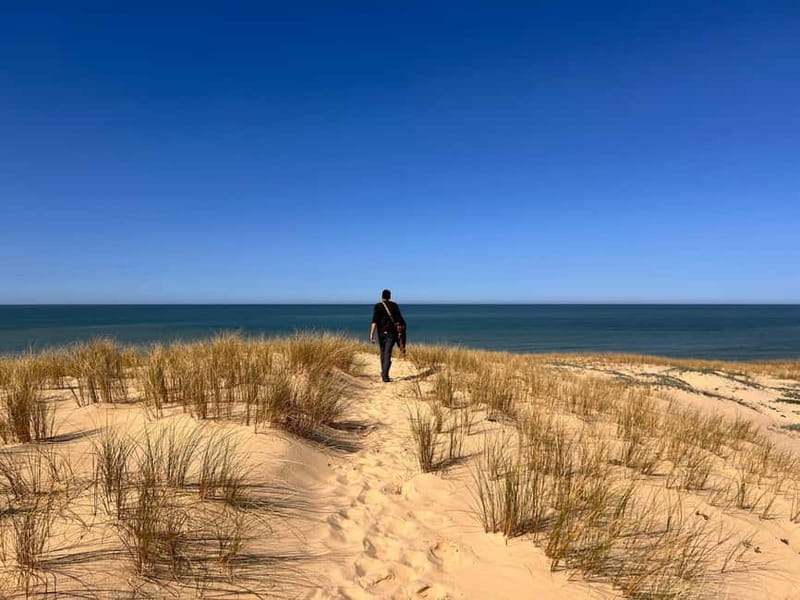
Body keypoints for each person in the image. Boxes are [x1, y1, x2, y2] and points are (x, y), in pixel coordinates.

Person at [369, 289, 406, 382]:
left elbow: (374, 321)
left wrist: (371, 334)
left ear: (382, 296)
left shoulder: (378, 306)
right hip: (392, 333)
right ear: (389, 297)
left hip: (381, 333)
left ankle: (384, 373)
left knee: (383, 352)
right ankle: (385, 375)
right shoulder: (394, 306)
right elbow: (400, 320)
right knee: (388, 353)